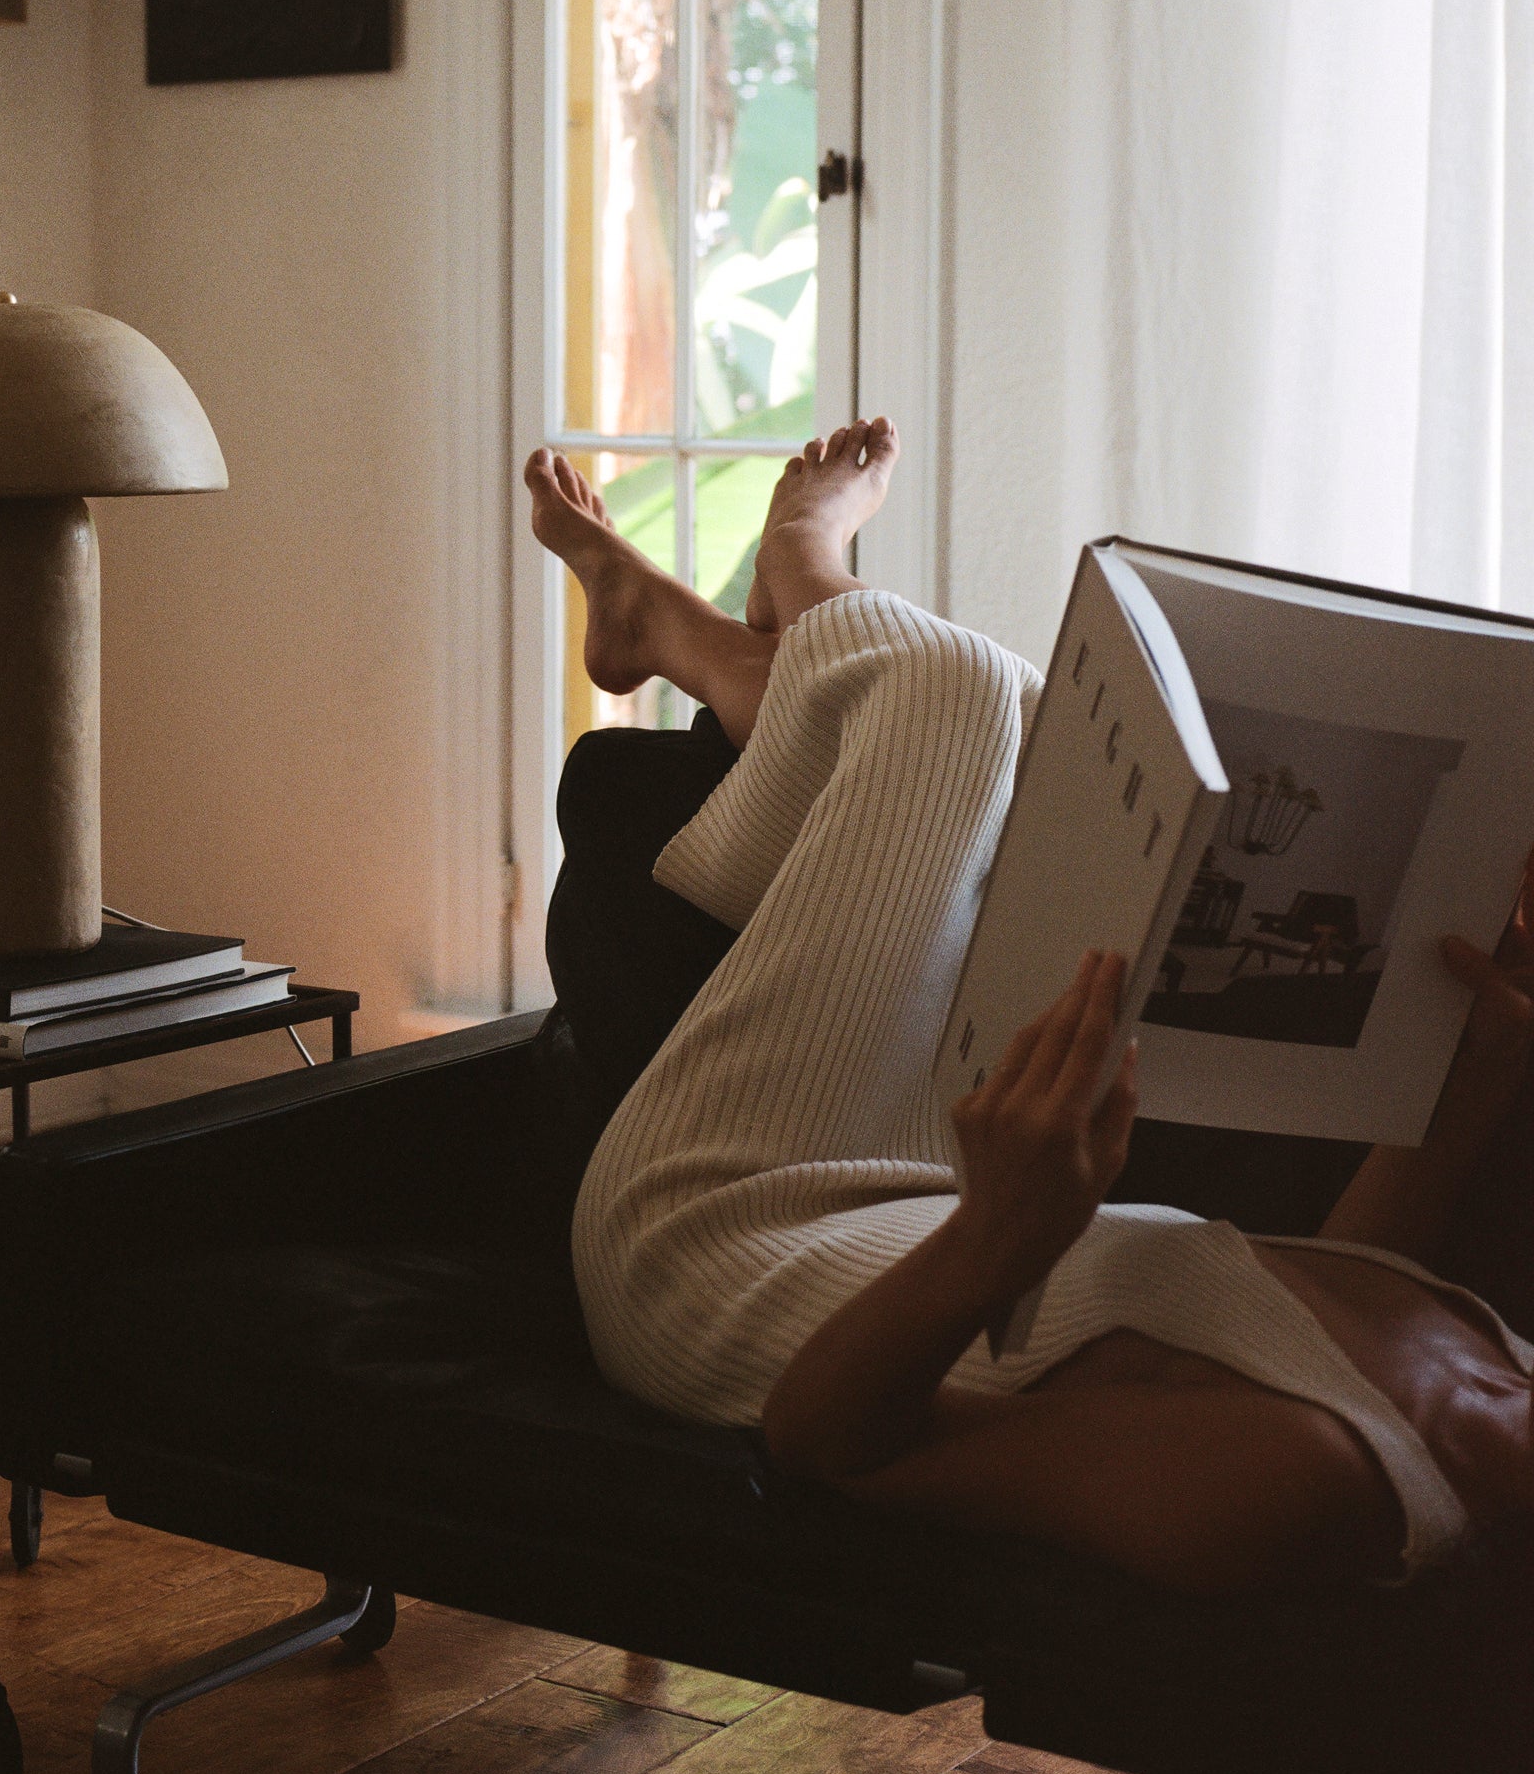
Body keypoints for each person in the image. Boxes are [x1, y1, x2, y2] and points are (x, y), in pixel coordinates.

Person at [524, 427, 1534, 1603]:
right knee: (1029, 727)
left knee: (944, 686)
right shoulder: (1500, 1384)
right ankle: (717, 648)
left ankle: (788, 579)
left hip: (714, 1253)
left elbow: (829, 1442)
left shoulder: (1300, 1485)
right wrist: (1472, 1077)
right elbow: (1346, 1292)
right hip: (912, 1199)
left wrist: (1001, 1228)